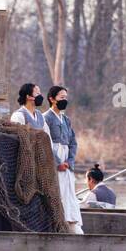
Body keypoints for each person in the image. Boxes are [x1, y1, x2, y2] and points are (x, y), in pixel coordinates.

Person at [44, 85, 84, 233]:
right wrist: (57, 163)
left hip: (67, 162)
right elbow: (45, 142)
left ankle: (71, 222)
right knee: (57, 192)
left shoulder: (66, 120)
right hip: (54, 161)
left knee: (69, 193)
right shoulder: (45, 118)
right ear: (52, 99)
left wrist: (69, 161)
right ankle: (58, 224)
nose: (64, 100)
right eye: (61, 97)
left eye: (66, 97)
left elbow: (73, 142)